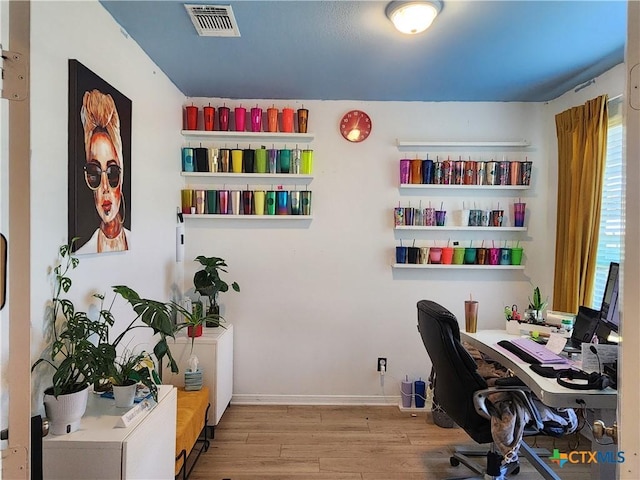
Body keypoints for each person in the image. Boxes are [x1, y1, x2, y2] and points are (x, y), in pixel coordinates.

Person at [76, 89, 130, 253]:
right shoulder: (83, 252)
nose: (105, 187)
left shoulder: (138, 242)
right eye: (95, 173)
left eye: (112, 172)